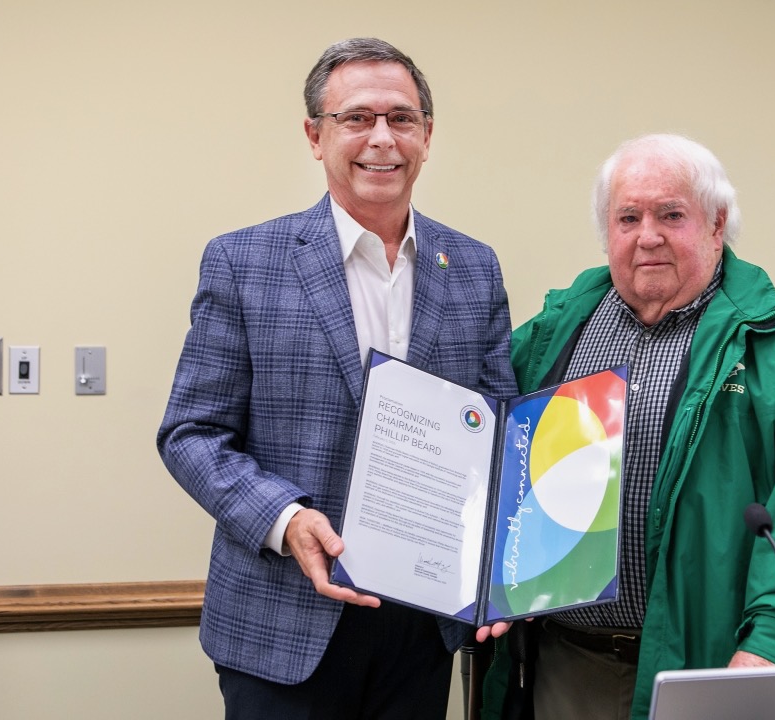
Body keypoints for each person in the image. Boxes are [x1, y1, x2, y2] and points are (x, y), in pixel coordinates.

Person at [157, 37, 518, 719]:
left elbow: (498, 438)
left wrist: (503, 577)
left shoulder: (473, 267)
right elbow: (191, 434)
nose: (381, 138)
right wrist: (286, 520)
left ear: (427, 136)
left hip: (422, 627)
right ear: (314, 136)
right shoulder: (243, 262)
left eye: (401, 118)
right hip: (282, 624)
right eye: (357, 118)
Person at [481, 133, 775, 720]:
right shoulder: (551, 336)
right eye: (628, 217)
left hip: (711, 672)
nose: (648, 236)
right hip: (564, 669)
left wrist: (764, 658)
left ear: (717, 225)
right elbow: (485, 463)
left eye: (672, 215)